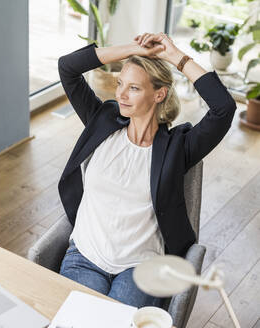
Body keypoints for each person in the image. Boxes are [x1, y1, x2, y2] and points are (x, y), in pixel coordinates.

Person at [57, 32, 236, 310]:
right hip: (85, 257)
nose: (120, 94)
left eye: (134, 88)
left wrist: (176, 56)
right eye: (120, 84)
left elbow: (223, 108)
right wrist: (134, 49)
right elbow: (68, 68)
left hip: (139, 269)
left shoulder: (178, 147)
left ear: (159, 94)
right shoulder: (102, 120)